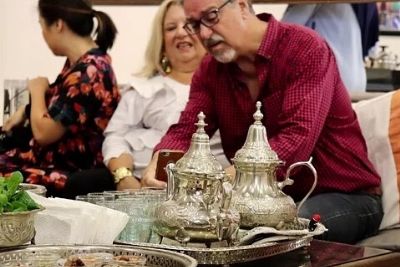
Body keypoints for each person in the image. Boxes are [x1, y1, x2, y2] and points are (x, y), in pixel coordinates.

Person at [141, 0, 383, 244]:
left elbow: (296, 139)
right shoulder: (210, 70)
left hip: (346, 195)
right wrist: (162, 162)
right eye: (194, 24)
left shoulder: (305, 48)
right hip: (258, 203)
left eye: (212, 16)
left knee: (276, 233)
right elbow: (187, 131)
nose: (204, 33)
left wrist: (222, 181)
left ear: (243, 6)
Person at [102, 0, 228, 191]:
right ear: (160, 41)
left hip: (211, 188)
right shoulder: (142, 89)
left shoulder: (227, 85)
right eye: (170, 28)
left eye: (189, 25)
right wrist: (124, 177)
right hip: (143, 185)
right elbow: (115, 137)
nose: (180, 32)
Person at [0, 0, 120, 197]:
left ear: (58, 25)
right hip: (49, 162)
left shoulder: (88, 72)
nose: (43, 35)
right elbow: (63, 111)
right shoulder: (83, 64)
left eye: (42, 26)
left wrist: (37, 90)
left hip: (68, 172)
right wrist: (26, 110)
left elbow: (45, 134)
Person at [281, 4, 367, 92]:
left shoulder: (310, 4)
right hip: (354, 80)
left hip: (334, 81)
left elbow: (284, 33)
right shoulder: (343, 6)